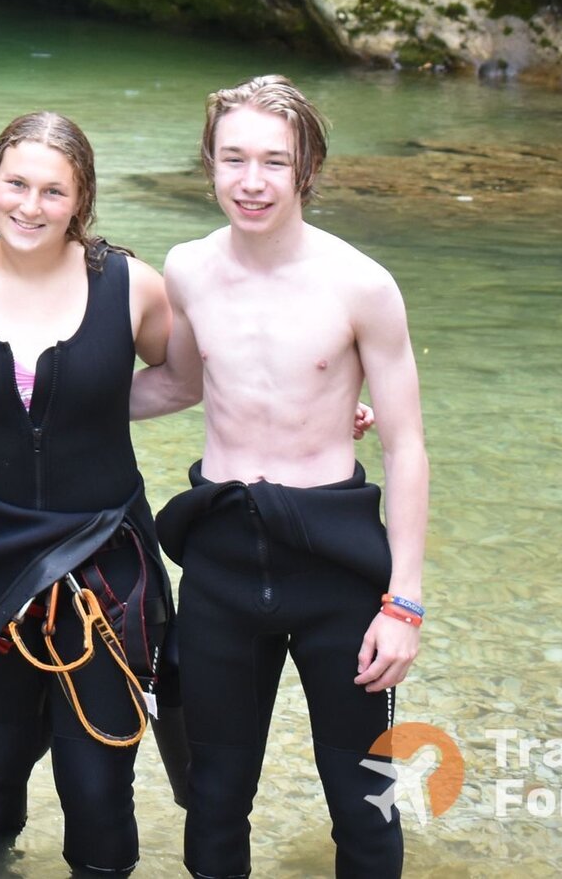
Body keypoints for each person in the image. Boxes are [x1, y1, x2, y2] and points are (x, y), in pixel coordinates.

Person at [133, 76, 430, 879]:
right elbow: (180, 383)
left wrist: (403, 602)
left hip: (335, 566)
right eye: (234, 158)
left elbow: (406, 446)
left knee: (364, 802)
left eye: (274, 160)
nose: (252, 180)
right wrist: (47, 398)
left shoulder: (361, 283)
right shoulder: (188, 267)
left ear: (308, 169)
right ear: (210, 163)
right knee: (215, 796)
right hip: (224, 560)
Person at [0, 112, 177, 877]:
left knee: (98, 783)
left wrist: (339, 411)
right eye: (16, 184)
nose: (30, 205)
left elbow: (193, 377)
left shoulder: (133, 284)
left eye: (52, 190)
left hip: (105, 559)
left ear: (81, 199)